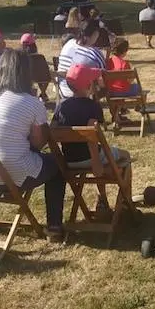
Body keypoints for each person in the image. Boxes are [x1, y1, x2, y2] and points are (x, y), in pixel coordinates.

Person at [0, 49, 66, 240]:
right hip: (6, 171)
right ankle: (54, 227)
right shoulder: (31, 102)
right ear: (26, 73)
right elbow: (38, 143)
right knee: (56, 165)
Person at [51, 64, 130, 215]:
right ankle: (125, 202)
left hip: (68, 160)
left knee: (102, 156)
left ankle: (103, 200)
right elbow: (91, 135)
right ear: (89, 85)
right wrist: (95, 162)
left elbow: (52, 131)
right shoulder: (93, 106)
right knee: (125, 156)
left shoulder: (62, 106)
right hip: (90, 157)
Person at [56, 20, 106, 99]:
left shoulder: (68, 44)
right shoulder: (94, 53)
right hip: (82, 94)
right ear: (94, 35)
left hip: (62, 90)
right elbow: (104, 76)